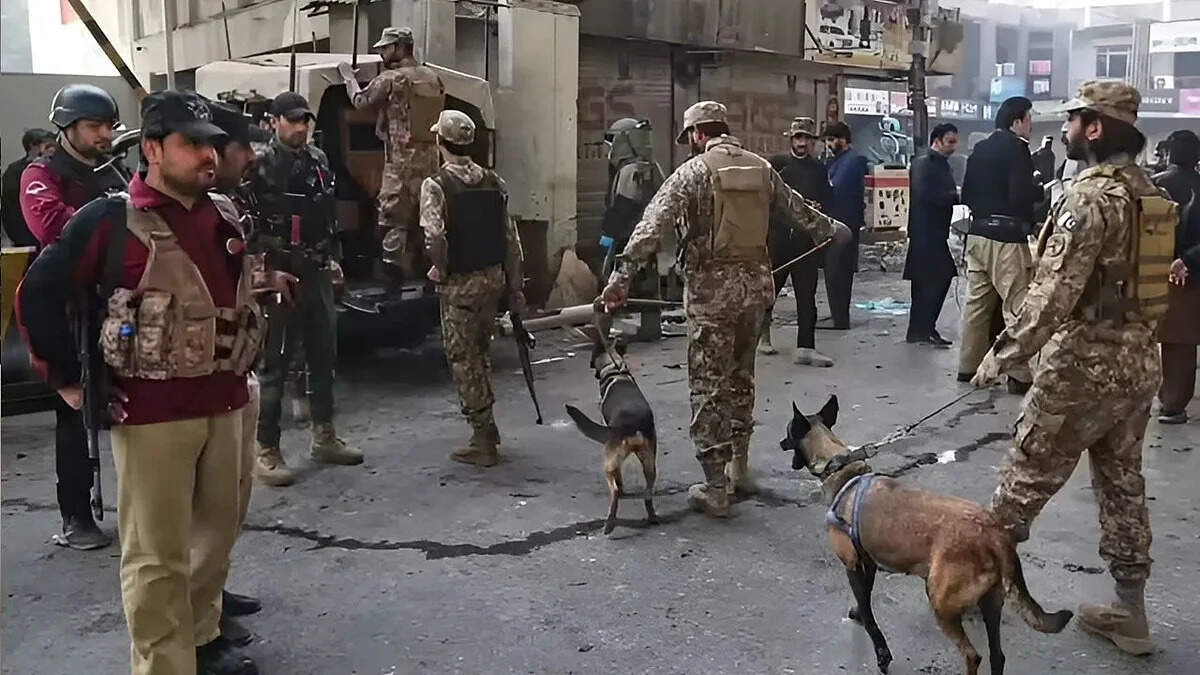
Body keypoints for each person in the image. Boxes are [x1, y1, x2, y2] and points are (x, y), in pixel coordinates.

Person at [17, 89, 267, 675]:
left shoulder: (223, 213)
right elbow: (38, 295)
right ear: (153, 149)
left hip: (228, 401)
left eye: (211, 144)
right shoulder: (109, 220)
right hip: (153, 415)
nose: (207, 155)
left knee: (216, 535)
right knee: (157, 556)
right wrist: (68, 381)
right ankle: (165, 665)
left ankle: (202, 641)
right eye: (192, 143)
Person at [973, 81, 1165, 656]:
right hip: (1139, 360)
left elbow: (1051, 296)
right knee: (1122, 482)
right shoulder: (1149, 193)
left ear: (1095, 128)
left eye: (1073, 119)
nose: (1064, 128)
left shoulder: (1090, 198)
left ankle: (974, 585)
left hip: (1084, 365)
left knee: (1024, 476)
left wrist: (1001, 355)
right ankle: (1131, 612)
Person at [601, 101, 849, 516]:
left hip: (711, 298)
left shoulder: (693, 172)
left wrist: (619, 279)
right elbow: (799, 209)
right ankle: (740, 469)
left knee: (708, 389)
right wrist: (832, 229)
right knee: (741, 381)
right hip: (755, 293)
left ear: (698, 133)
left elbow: (651, 226)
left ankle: (716, 487)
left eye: (690, 137)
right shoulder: (761, 168)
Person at [18, 84, 127, 551]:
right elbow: (51, 226)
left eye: (109, 126)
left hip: (116, 303)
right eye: (94, 126)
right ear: (67, 127)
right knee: (75, 412)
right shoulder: (41, 174)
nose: (105, 135)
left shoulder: (112, 172)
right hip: (68, 307)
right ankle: (76, 516)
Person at [249, 91, 362, 486]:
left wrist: (334, 258)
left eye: (304, 121)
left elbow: (327, 212)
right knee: (275, 363)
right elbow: (245, 222)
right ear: (274, 121)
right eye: (293, 120)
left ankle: (324, 436)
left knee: (323, 353)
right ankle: (266, 449)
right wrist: (262, 272)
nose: (300, 128)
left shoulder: (318, 159)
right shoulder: (259, 163)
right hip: (279, 274)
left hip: (316, 270)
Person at [208, 100, 281, 647]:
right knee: (196, 513)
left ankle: (214, 588)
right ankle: (201, 625)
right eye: (242, 147)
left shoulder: (228, 201)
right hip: (189, 384)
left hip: (234, 370)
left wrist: (267, 278)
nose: (252, 156)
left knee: (228, 501)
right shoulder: (148, 214)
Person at [419, 110, 525, 467]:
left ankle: (483, 439)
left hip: (460, 287)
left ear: (440, 141)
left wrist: (439, 266)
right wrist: (515, 288)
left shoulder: (436, 185)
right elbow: (511, 241)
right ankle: (488, 428)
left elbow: (434, 236)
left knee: (464, 361)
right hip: (492, 281)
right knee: (480, 355)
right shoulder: (494, 181)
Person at [339, 26, 445, 277]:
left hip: (400, 166)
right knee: (426, 223)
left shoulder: (391, 79)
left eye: (386, 48)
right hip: (431, 165)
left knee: (392, 223)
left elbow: (360, 101)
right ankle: (426, 280)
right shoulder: (433, 78)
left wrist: (348, 77)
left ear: (399, 48)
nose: (382, 53)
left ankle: (392, 286)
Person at [959, 96, 1042, 393]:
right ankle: (1019, 375)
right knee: (1016, 305)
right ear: (1016, 121)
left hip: (977, 235)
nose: (1031, 126)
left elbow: (966, 194)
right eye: (1029, 119)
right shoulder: (1018, 149)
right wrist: (1037, 192)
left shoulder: (979, 149)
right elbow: (1020, 196)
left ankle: (968, 366)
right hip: (1006, 238)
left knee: (977, 305)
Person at [762, 116, 835, 366]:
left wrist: (820, 216)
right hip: (779, 239)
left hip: (805, 242)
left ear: (812, 141)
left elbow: (827, 201)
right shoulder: (777, 165)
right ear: (791, 139)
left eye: (806, 138)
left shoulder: (818, 169)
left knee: (807, 296)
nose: (802, 143)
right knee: (769, 291)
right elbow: (766, 199)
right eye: (798, 138)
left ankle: (806, 347)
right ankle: (761, 336)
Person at [1152, 129, 1200, 424]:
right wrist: (1188, 260)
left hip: (1154, 273)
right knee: (1182, 343)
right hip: (1191, 273)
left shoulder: (1154, 185)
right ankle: (1173, 404)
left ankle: (1166, 401)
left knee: (1167, 341)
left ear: (1169, 153)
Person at [600, 117, 663, 340]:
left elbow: (623, 205)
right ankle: (651, 327)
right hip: (648, 236)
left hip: (628, 236)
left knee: (614, 280)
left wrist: (608, 233)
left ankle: (605, 328)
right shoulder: (652, 167)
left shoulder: (630, 171)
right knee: (648, 282)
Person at [904, 123, 960, 346]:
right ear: (937, 141)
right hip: (925, 232)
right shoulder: (924, 164)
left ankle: (920, 330)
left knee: (925, 282)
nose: (954, 147)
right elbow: (927, 194)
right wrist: (954, 196)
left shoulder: (940, 164)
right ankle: (923, 328)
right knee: (937, 279)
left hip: (933, 231)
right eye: (950, 142)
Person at [821, 120, 868, 330]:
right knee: (833, 272)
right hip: (835, 223)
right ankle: (836, 314)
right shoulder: (836, 161)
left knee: (838, 273)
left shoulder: (852, 160)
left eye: (832, 140)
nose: (829, 144)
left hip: (844, 224)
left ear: (843, 140)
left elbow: (835, 187)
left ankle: (840, 319)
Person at [2, 128, 56, 247]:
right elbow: (10, 210)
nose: (52, 150)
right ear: (33, 146)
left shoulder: (53, 166)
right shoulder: (15, 172)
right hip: (26, 238)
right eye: (48, 145)